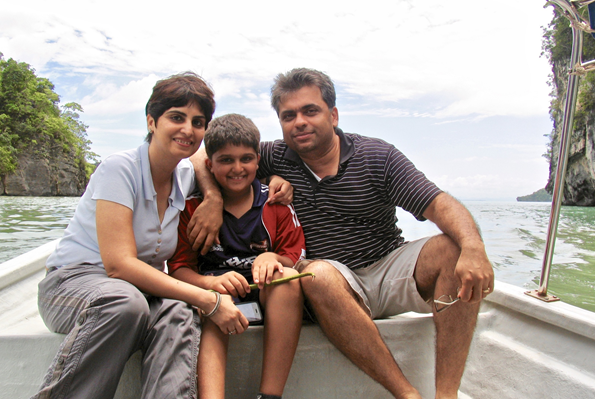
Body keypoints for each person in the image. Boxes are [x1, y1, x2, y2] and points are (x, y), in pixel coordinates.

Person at [188, 68, 495, 399]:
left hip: (385, 265)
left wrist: (473, 247)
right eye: (288, 116)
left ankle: (446, 395)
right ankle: (407, 394)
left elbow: (438, 203)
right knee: (316, 274)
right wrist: (213, 197)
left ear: (332, 115)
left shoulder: (376, 156)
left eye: (310, 111)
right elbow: (202, 152)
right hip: (330, 281)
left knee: (453, 249)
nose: (299, 122)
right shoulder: (273, 156)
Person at [32, 72, 248, 399]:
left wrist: (213, 198)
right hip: (72, 285)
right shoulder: (119, 169)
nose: (188, 129)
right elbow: (119, 266)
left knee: (178, 311)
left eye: (198, 121)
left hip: (136, 291)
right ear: (151, 121)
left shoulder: (184, 174)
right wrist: (208, 298)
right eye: (176, 117)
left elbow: (207, 160)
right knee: (126, 303)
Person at [168, 113, 306, 399]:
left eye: (246, 159)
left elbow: (295, 255)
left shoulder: (275, 204)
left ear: (258, 160)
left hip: (264, 296)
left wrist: (273, 259)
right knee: (215, 304)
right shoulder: (194, 209)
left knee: (288, 279)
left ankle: (269, 395)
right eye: (226, 160)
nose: (237, 168)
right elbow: (179, 268)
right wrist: (209, 285)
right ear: (210, 164)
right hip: (216, 297)